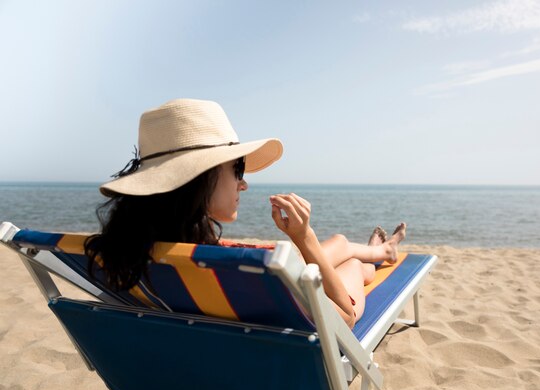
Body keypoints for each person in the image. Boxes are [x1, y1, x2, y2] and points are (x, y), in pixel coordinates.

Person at [85, 98, 406, 328]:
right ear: (201, 179)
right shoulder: (238, 271)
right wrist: (304, 236)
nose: (244, 184)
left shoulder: (129, 255)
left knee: (338, 241)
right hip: (298, 310)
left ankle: (382, 250)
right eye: (237, 170)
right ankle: (373, 259)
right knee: (352, 265)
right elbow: (344, 318)